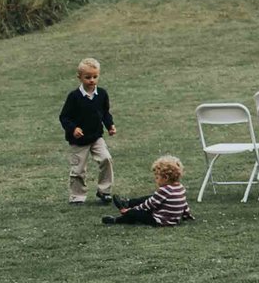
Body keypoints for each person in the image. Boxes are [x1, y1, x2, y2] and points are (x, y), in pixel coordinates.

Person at [59, 57, 117, 204]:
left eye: (95, 76)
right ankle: (77, 196)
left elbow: (104, 113)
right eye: (88, 77)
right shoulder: (74, 97)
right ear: (80, 77)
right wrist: (73, 129)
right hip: (78, 141)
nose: (92, 80)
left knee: (106, 159)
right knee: (78, 169)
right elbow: (64, 117)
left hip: (96, 137)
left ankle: (104, 191)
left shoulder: (102, 94)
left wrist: (110, 125)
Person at [101, 156, 190, 228]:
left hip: (159, 220)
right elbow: (184, 204)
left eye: (157, 177)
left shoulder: (164, 190)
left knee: (137, 213)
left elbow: (148, 205)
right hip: (173, 219)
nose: (156, 180)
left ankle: (118, 218)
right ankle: (128, 202)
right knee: (152, 197)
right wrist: (187, 215)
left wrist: (131, 210)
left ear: (166, 178)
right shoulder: (180, 187)